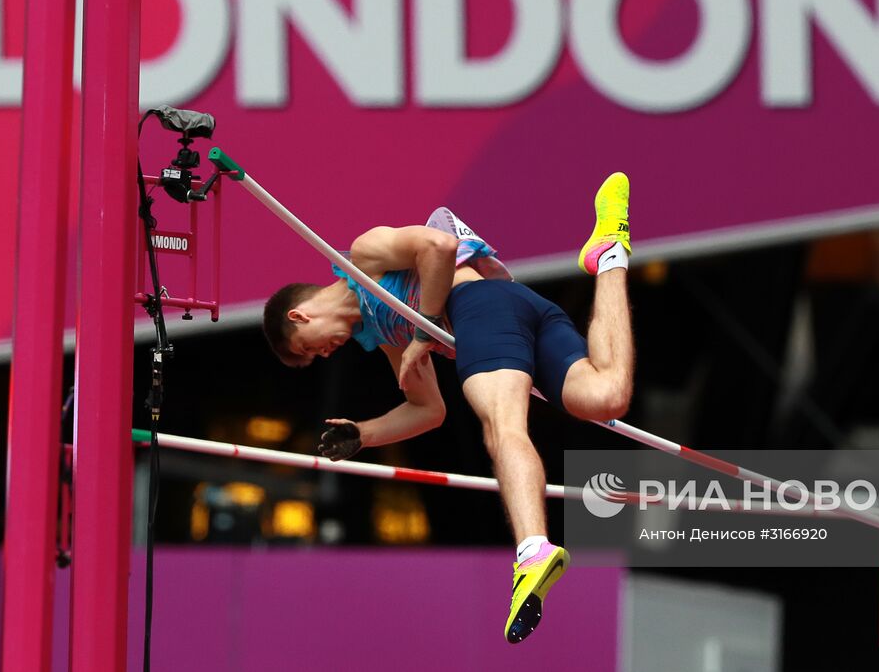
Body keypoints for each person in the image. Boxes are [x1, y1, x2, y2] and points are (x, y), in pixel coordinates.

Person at [261, 173, 635, 644]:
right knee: (606, 397)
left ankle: (532, 549)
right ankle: (610, 255)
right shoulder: (385, 332)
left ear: (300, 316)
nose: (325, 354)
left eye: (310, 349)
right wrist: (363, 433)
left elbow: (436, 247)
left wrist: (422, 336)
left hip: (477, 304)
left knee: (503, 427)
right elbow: (428, 409)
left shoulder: (363, 257)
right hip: (516, 305)